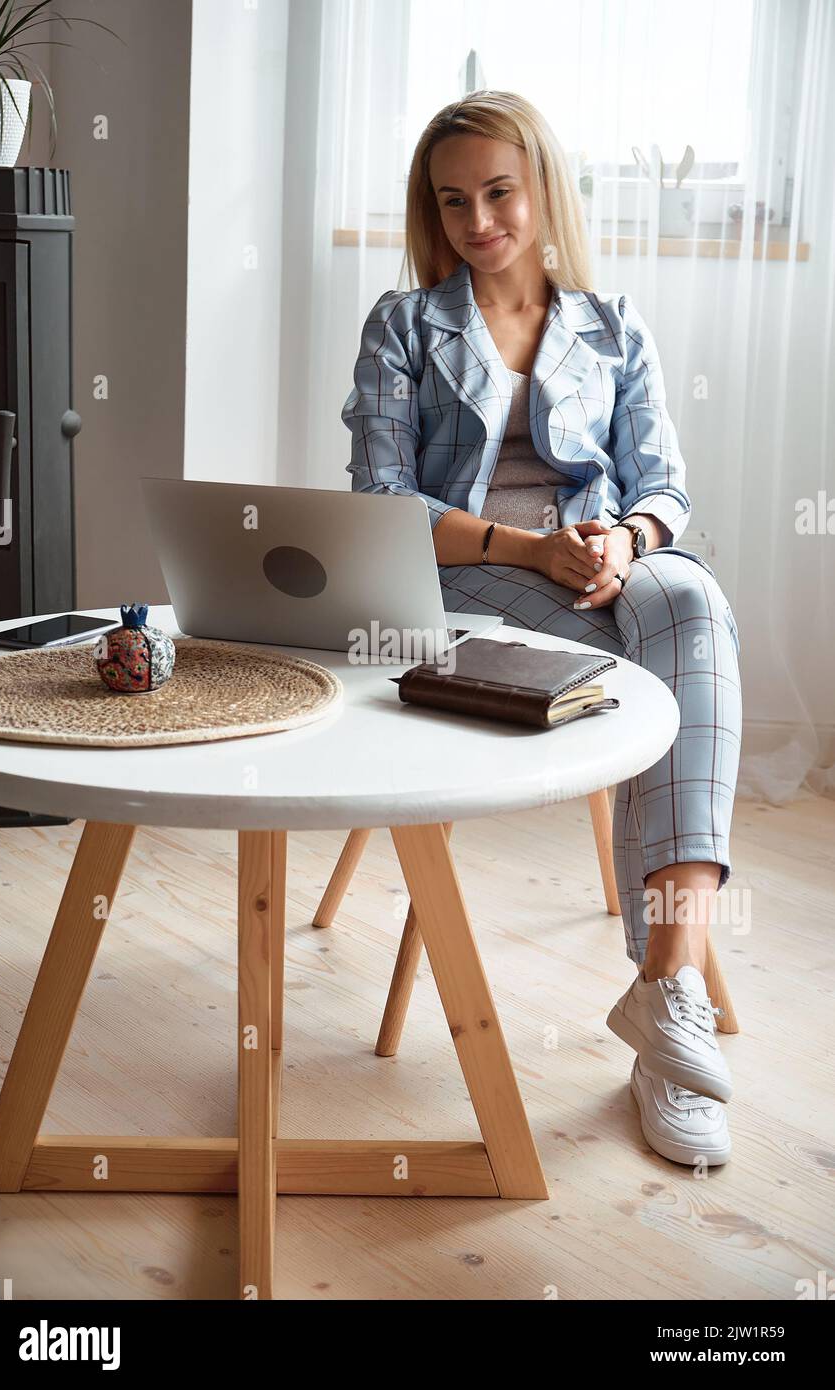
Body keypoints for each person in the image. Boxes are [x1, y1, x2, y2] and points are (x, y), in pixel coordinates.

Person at [341, 90, 742, 1168]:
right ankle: (674, 1004)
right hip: (460, 592)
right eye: (453, 200)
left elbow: (664, 490)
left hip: (597, 569)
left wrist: (620, 538)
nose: (479, 220)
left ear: (542, 188)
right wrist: (531, 549)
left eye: (499, 192)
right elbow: (380, 509)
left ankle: (664, 995)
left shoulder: (613, 328)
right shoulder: (403, 327)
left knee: (688, 601)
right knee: (654, 650)